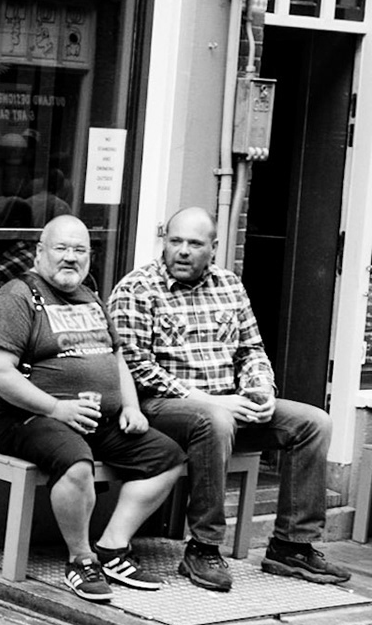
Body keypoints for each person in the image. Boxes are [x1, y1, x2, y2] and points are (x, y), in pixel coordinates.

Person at [108, 207, 350, 591]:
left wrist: (261, 390)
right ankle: (203, 547)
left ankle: (291, 545)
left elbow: (250, 350)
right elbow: (134, 366)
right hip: (161, 410)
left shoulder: (230, 285)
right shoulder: (137, 289)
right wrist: (209, 400)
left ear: (214, 248)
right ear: (164, 242)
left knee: (313, 422)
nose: (183, 251)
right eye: (175, 241)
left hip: (228, 405)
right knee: (214, 421)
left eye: (194, 243)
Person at [0, 214, 184, 602]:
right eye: (61, 248)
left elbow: (117, 356)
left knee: (167, 456)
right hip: (27, 417)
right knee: (75, 461)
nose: (71, 258)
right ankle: (81, 559)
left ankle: (112, 547)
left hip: (95, 418)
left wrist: (130, 406)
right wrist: (57, 409)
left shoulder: (90, 296)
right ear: (40, 252)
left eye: (80, 250)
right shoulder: (15, 299)